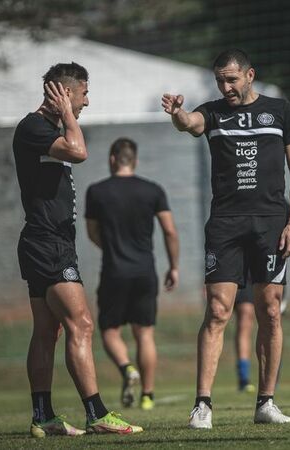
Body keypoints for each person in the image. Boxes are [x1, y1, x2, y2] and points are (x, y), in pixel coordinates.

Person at [161, 48, 290, 428]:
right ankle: (203, 406)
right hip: (225, 224)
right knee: (218, 311)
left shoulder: (281, 112)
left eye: (231, 79)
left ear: (249, 75)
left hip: (271, 224)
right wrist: (178, 112)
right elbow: (189, 123)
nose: (225, 86)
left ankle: (265, 403)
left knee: (270, 311)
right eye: (219, 80)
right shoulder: (213, 111)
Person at [13, 62, 142, 437]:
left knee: (47, 331)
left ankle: (43, 417)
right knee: (81, 323)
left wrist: (65, 115)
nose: (88, 100)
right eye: (83, 93)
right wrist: (69, 114)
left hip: (45, 242)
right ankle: (97, 414)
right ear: (65, 93)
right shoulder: (35, 127)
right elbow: (80, 151)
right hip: (48, 242)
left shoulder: (44, 130)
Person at [85, 137, 180, 411]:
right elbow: (170, 230)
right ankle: (148, 396)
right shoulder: (153, 191)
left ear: (112, 159)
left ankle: (127, 369)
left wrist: (112, 248)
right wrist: (173, 266)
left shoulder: (97, 192)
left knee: (109, 330)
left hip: (114, 271)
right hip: (145, 272)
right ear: (134, 160)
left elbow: (92, 232)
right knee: (145, 334)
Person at [233, 207, 290, 392]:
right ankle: (244, 377)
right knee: (245, 318)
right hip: (244, 269)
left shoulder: (276, 199)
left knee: (272, 318)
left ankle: (271, 377)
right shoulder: (242, 189)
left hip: (268, 264)